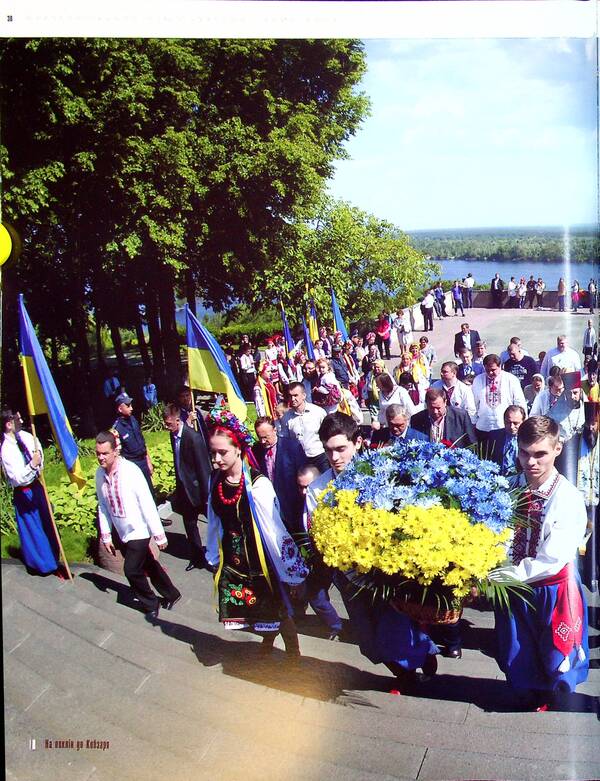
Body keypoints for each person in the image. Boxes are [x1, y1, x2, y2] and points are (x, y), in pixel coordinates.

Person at [305, 412, 438, 688]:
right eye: (329, 451)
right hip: (349, 576)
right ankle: (408, 662)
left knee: (395, 627)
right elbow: (317, 534)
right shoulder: (319, 489)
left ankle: (412, 669)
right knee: (367, 639)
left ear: (358, 442)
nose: (335, 457)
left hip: (384, 571)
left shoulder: (381, 473)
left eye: (341, 448)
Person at [492, 416, 589, 710]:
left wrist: (507, 574)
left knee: (552, 651)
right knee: (516, 645)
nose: (531, 462)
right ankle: (530, 689)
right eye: (524, 453)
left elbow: (553, 557)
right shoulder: (509, 487)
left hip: (551, 587)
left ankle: (549, 692)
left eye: (540, 454)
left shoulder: (567, 497)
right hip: (512, 582)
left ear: (557, 449)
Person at [205, 408, 307, 658]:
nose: (216, 459)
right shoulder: (216, 480)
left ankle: (294, 654)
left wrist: (290, 569)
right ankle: (266, 645)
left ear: (238, 448)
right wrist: (213, 555)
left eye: (222, 452)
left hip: (262, 560)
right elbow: (213, 519)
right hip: (235, 559)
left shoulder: (257, 485)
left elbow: (275, 530)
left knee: (278, 608)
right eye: (213, 453)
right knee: (254, 609)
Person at [95, 430, 181, 619]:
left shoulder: (131, 471)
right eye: (98, 454)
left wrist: (159, 535)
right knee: (148, 564)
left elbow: (147, 503)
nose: (101, 458)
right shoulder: (99, 475)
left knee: (131, 570)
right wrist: (106, 535)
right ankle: (172, 594)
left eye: (104, 453)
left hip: (139, 531)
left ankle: (151, 604)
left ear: (115, 451)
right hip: (121, 531)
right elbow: (103, 506)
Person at [1, 409, 60, 576]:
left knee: (46, 521)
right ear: (8, 424)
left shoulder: (26, 436)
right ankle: (44, 564)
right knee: (34, 528)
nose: (21, 421)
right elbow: (18, 478)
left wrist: (38, 462)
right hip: (24, 492)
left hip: (36, 486)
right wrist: (32, 465)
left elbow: (38, 451)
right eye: (17, 419)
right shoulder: (6, 450)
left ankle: (54, 555)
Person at [295, 463, 343, 639]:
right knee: (316, 596)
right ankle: (336, 626)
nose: (304, 492)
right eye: (300, 487)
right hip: (317, 559)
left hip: (337, 556)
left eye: (308, 487)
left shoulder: (331, 501)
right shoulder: (300, 505)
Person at [163, 403, 212, 571]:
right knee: (190, 525)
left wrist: (207, 496)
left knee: (213, 525)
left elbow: (203, 468)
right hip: (184, 491)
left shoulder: (194, 438)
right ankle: (197, 558)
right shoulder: (173, 434)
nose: (166, 426)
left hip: (198, 491)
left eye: (169, 423)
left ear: (178, 420)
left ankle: (217, 556)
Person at [252, 416, 307, 534]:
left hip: (292, 504)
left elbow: (303, 473)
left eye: (266, 437)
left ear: (275, 430)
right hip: (271, 504)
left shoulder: (292, 447)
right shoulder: (256, 450)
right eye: (259, 437)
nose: (262, 441)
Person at [471, 354, 527, 442]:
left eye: (493, 370)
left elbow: (519, 402)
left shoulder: (511, 379)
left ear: (500, 366)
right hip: (483, 427)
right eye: (487, 370)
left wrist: (522, 423)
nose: (490, 373)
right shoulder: (478, 380)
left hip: (504, 427)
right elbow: (473, 404)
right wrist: (473, 422)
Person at [280, 382, 329, 473]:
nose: (293, 399)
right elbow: (285, 440)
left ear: (304, 395)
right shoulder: (286, 418)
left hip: (320, 457)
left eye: (295, 395)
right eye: (290, 396)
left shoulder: (318, 412)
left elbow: (328, 434)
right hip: (300, 460)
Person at [112, 393, 155, 494]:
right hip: (132, 464)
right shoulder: (117, 429)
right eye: (128, 406)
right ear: (120, 409)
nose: (131, 408)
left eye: (131, 405)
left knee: (150, 491)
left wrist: (148, 461)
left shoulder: (133, 420)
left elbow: (143, 442)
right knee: (139, 493)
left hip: (143, 461)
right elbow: (117, 454)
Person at [411, 387, 477, 446]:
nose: (435, 411)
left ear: (445, 402)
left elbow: (472, 443)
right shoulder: (416, 419)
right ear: (426, 404)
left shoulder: (461, 416)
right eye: (431, 408)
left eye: (438, 408)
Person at [485, 404, 526, 476]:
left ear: (523, 422)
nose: (511, 427)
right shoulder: (494, 436)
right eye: (508, 422)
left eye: (515, 423)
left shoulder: (528, 439)